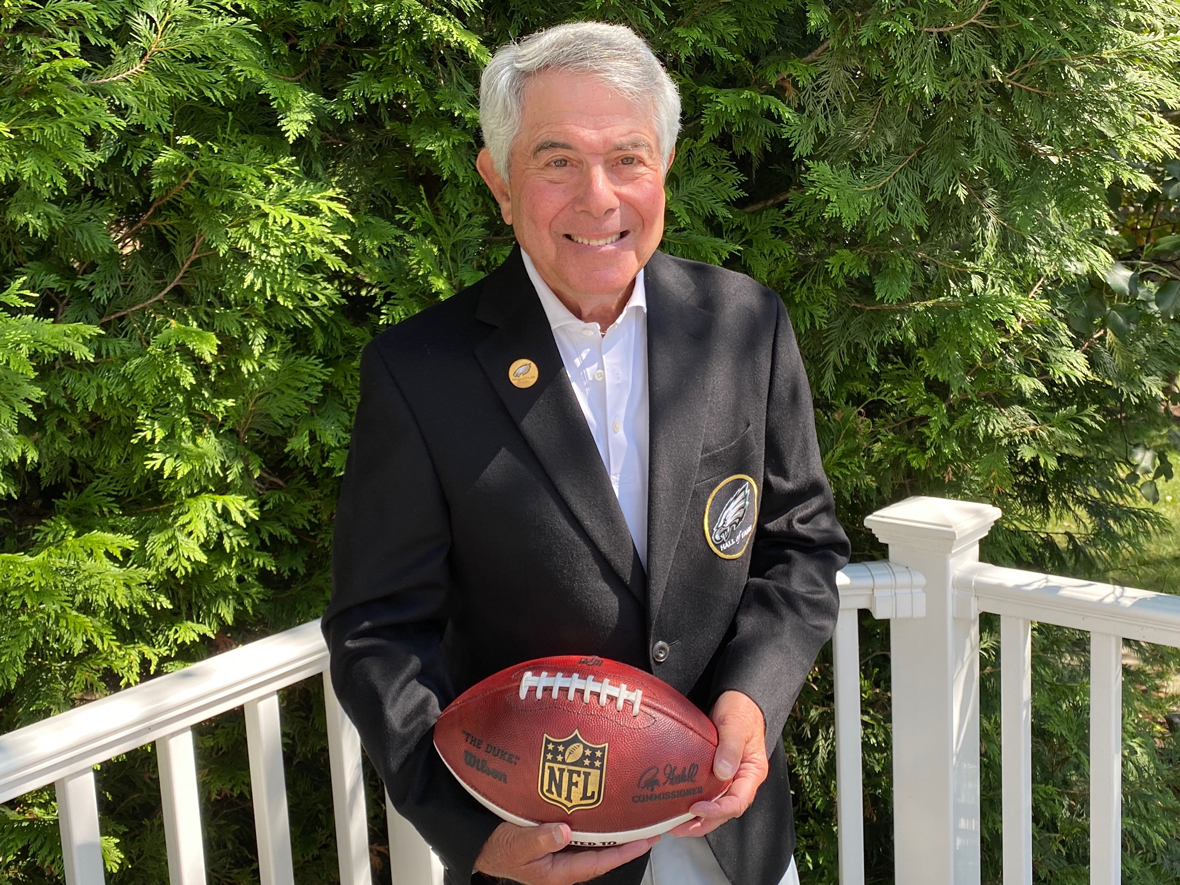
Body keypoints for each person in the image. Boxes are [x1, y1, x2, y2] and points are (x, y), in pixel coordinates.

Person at [323, 21, 850, 885]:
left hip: (737, 837)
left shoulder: (747, 324)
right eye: (557, 160)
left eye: (629, 158)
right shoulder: (420, 372)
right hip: (546, 854)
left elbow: (800, 543)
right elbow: (376, 631)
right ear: (498, 180)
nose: (599, 197)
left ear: (665, 168)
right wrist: (472, 833)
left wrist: (752, 695)